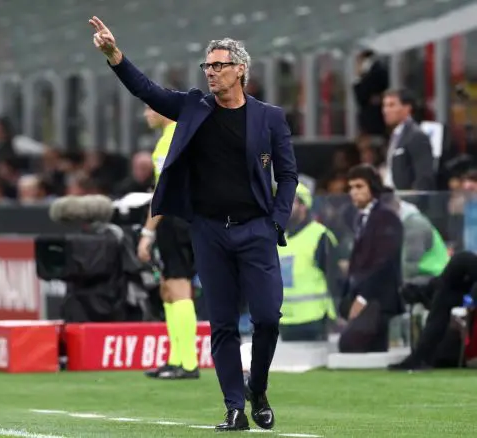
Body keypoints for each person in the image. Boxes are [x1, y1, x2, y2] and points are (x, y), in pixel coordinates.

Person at [89, 16, 297, 431]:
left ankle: (257, 388)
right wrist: (115, 56)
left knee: (268, 318)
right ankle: (234, 407)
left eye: (219, 66)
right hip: (207, 230)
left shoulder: (269, 117)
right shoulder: (192, 106)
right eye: (207, 67)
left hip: (256, 229)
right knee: (220, 324)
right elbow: (146, 90)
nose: (211, 73)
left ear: (240, 69)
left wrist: (276, 220)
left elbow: (288, 174)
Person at [137, 105, 199, 380]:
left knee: (179, 285)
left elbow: (164, 190)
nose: (146, 114)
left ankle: (188, 363)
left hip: (176, 220)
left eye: (150, 107)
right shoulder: (176, 135)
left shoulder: (174, 137)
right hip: (177, 219)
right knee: (168, 289)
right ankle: (176, 359)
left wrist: (147, 232)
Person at [338, 165, 404, 353]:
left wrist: (362, 298)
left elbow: (383, 263)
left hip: (379, 298)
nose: (353, 192)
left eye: (359, 187)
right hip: (364, 295)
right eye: (351, 188)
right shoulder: (360, 218)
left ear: (372, 188)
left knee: (351, 345)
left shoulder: (387, 218)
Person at [390, 251, 477, 371]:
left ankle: (419, 359)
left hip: (455, 282)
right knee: (435, 323)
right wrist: (469, 302)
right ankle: (419, 359)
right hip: (453, 283)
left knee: (436, 322)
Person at [278, 184, 338, 342]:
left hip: (314, 319)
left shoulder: (320, 235)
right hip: (284, 320)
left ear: (303, 206)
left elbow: (335, 280)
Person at [382, 89, 435, 191]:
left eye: (391, 105)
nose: (385, 110)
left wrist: (411, 202)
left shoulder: (416, 136)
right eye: (384, 106)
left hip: (407, 203)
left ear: (407, 108)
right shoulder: (395, 135)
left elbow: (423, 178)